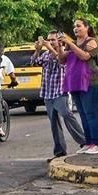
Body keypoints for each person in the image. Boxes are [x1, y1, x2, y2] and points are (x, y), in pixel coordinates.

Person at [32, 30, 85, 159]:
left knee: (67, 115)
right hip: (48, 92)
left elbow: (61, 61)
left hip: (60, 91)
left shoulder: (63, 52)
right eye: (48, 40)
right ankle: (59, 150)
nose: (50, 42)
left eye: (53, 40)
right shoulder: (45, 54)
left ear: (59, 40)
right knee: (54, 122)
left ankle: (84, 141)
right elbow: (34, 62)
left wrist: (50, 48)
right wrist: (38, 50)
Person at [59, 19, 98, 155]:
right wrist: (61, 46)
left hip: (91, 82)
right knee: (83, 114)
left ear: (87, 27)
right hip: (75, 82)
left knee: (91, 113)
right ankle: (88, 142)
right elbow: (62, 59)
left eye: (79, 26)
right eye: (74, 26)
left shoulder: (91, 42)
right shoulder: (71, 44)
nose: (75, 28)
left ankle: (96, 144)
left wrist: (70, 44)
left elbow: (85, 56)